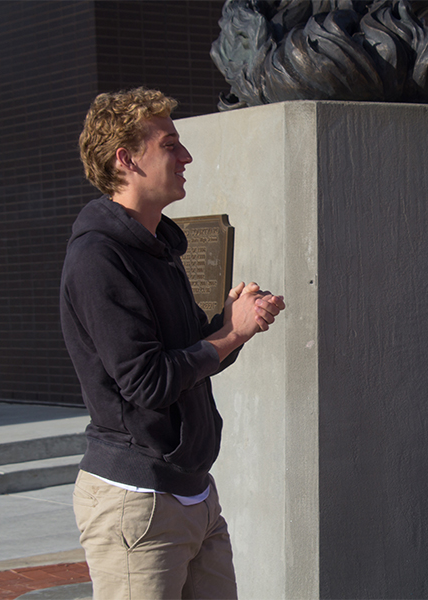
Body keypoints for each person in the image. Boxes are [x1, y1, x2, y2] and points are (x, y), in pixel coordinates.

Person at [60, 87, 285, 599]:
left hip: (194, 493)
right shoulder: (99, 258)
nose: (186, 157)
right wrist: (231, 333)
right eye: (170, 144)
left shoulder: (156, 246)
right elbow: (148, 381)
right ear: (126, 159)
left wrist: (234, 324)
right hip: (137, 502)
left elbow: (184, 359)